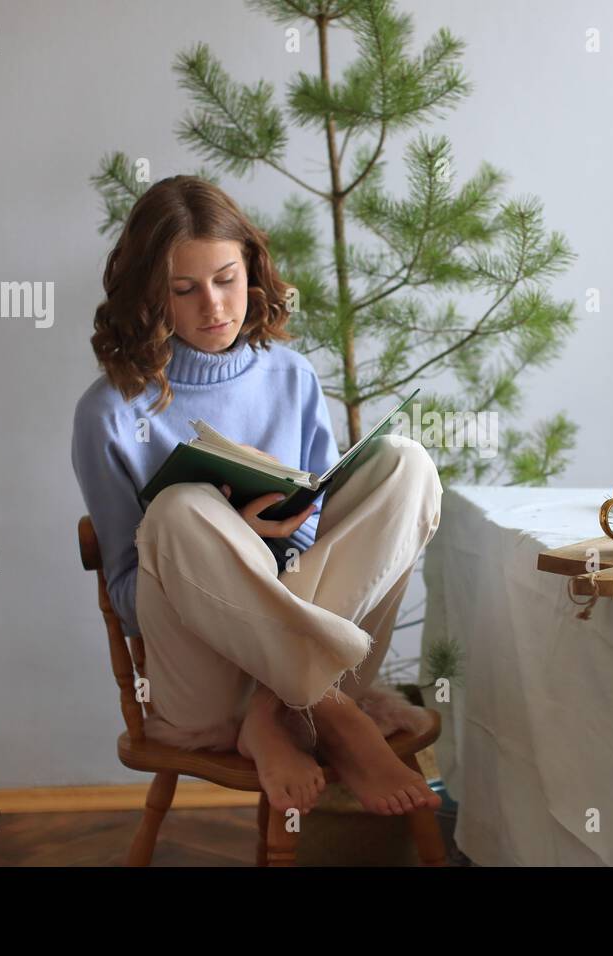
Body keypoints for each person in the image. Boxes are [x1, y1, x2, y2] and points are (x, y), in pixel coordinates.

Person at [71, 175, 443, 819]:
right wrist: (228, 540)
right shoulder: (108, 412)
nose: (213, 307)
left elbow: (322, 521)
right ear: (150, 296)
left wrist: (279, 535)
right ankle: (329, 710)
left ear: (252, 268)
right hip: (205, 682)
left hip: (297, 627)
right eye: (183, 290)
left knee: (407, 464)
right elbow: (129, 598)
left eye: (227, 280)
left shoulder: (290, 375)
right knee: (180, 511)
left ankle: (277, 709)